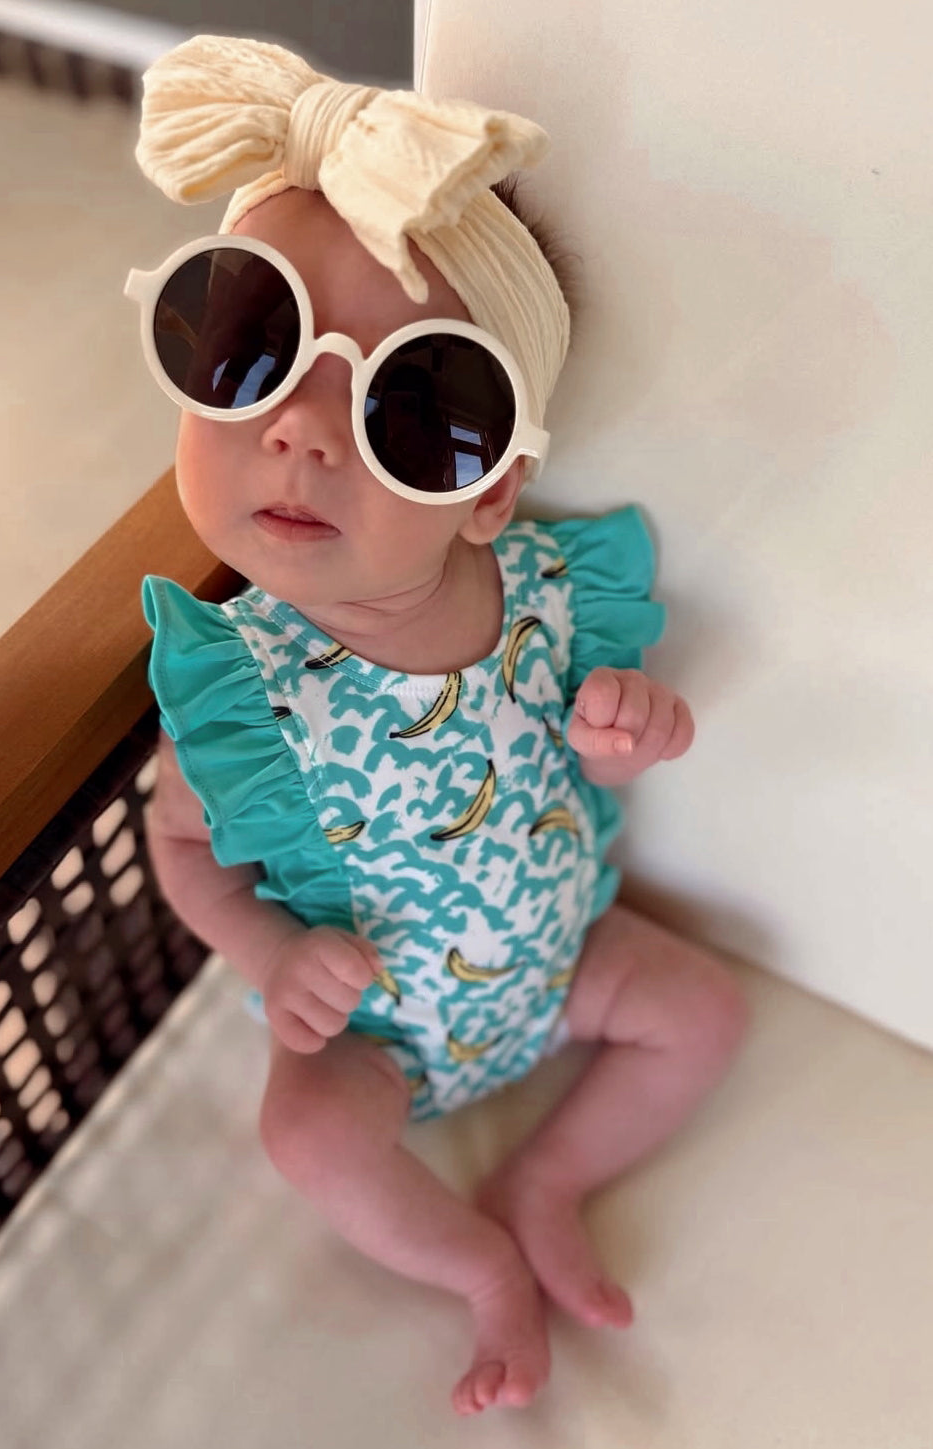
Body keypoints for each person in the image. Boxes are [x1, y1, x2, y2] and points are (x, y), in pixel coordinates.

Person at [128, 35, 749, 1416]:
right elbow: (179, 849)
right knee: (305, 1135)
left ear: (486, 490)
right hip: (377, 1038)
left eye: (406, 406)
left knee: (705, 1008)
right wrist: (268, 946)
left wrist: (630, 728)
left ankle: (550, 1172)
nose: (300, 430)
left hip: (564, 961)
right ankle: (476, 1265)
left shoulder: (544, 591)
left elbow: (590, 739)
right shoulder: (250, 689)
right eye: (252, 347)